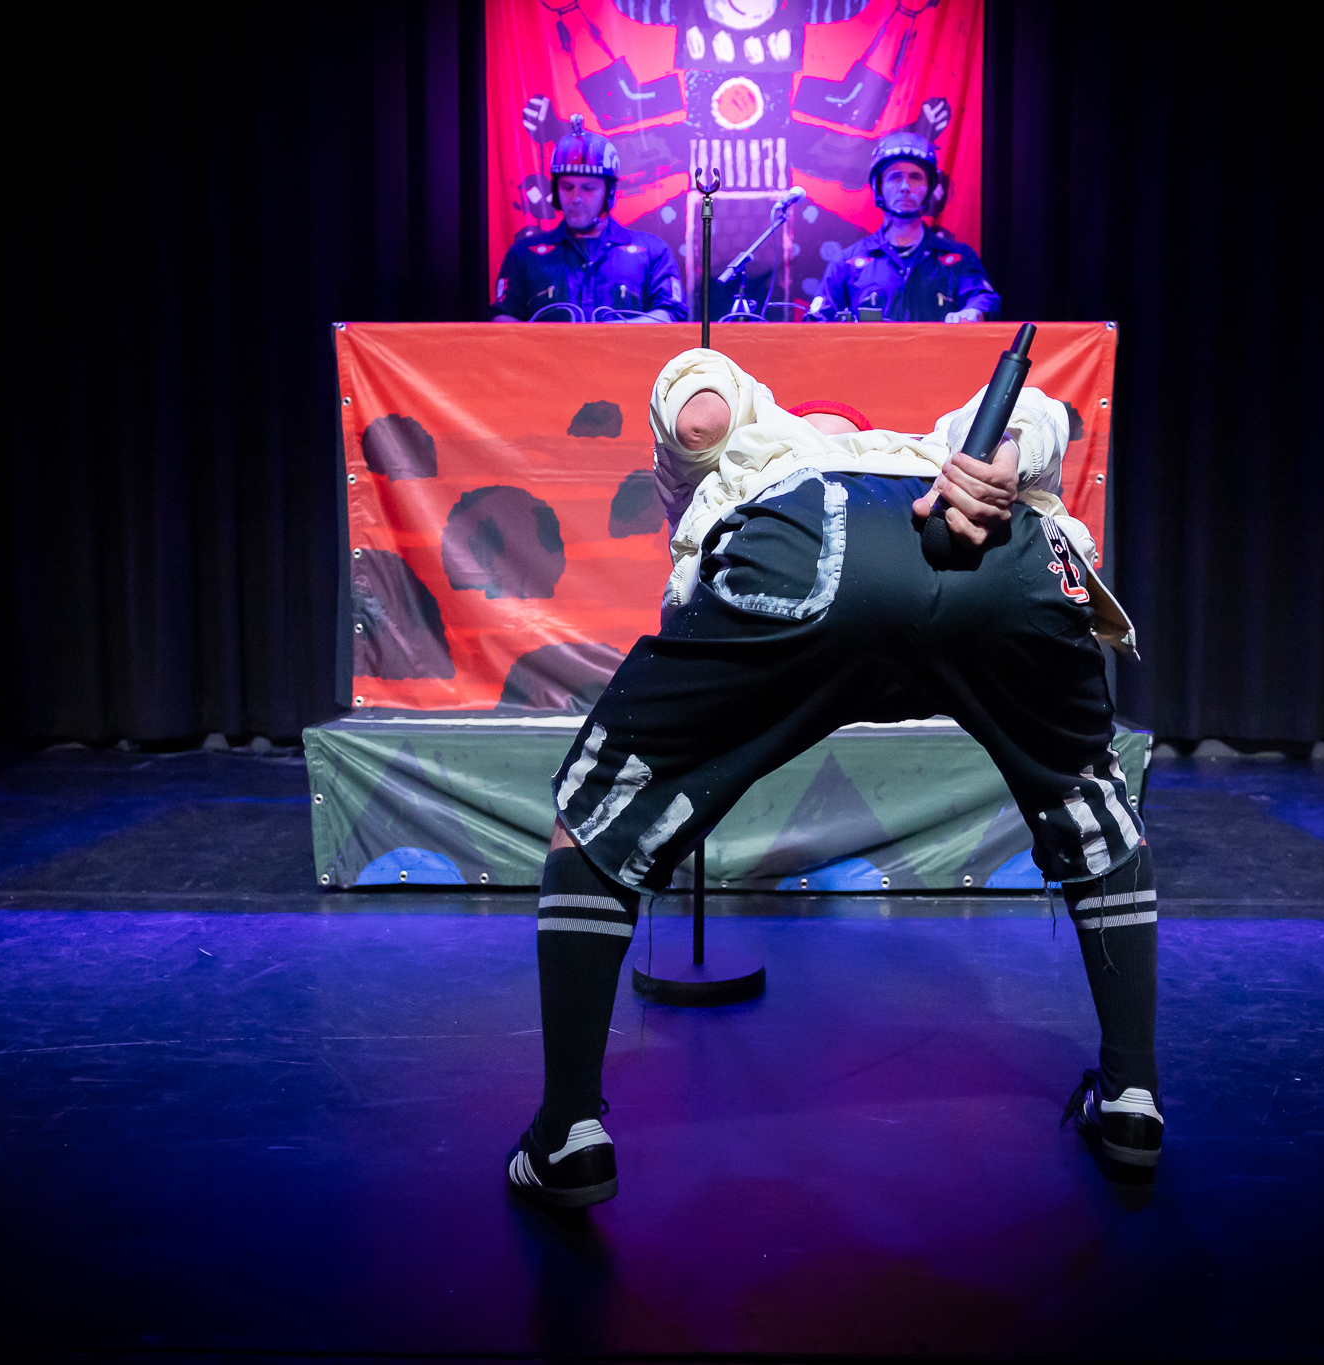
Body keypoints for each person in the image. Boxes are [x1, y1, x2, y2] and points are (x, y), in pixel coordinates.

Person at [506, 348, 1159, 1209]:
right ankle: (1132, 1096)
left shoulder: (772, 440)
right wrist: (1003, 458)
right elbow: (1029, 415)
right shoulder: (945, 445)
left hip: (816, 543)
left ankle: (566, 1133)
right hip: (1001, 558)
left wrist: (687, 461)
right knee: (1092, 808)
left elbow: (699, 409)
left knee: (597, 814)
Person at [491, 115, 688, 324]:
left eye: (588, 188)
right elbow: (502, 318)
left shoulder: (652, 251)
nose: (575, 198)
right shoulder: (524, 254)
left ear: (609, 192)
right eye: (567, 187)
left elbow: (671, 314)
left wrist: (607, 335)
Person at [805, 132, 1000, 324]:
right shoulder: (846, 263)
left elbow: (984, 298)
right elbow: (817, 322)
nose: (905, 187)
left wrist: (974, 311)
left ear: (929, 187)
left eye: (915, 177)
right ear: (878, 187)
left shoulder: (959, 258)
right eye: (895, 177)